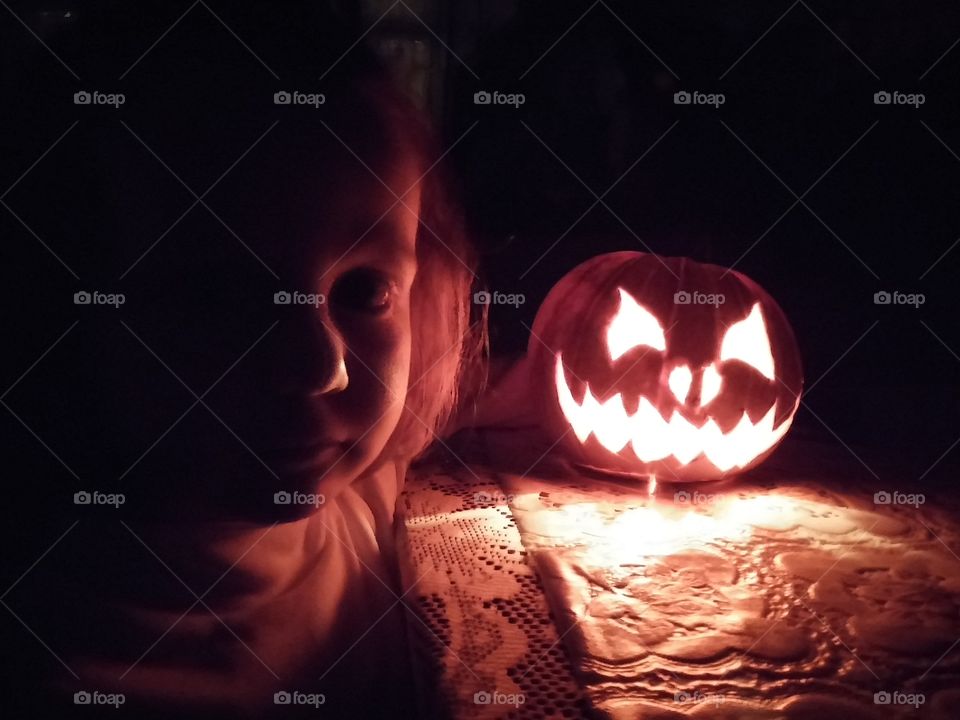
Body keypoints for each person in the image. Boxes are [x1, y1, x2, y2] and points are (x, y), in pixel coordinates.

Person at [1, 3, 483, 717]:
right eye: (217, 295)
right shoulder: (56, 675)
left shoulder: (358, 495)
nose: (324, 368)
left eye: (364, 290)